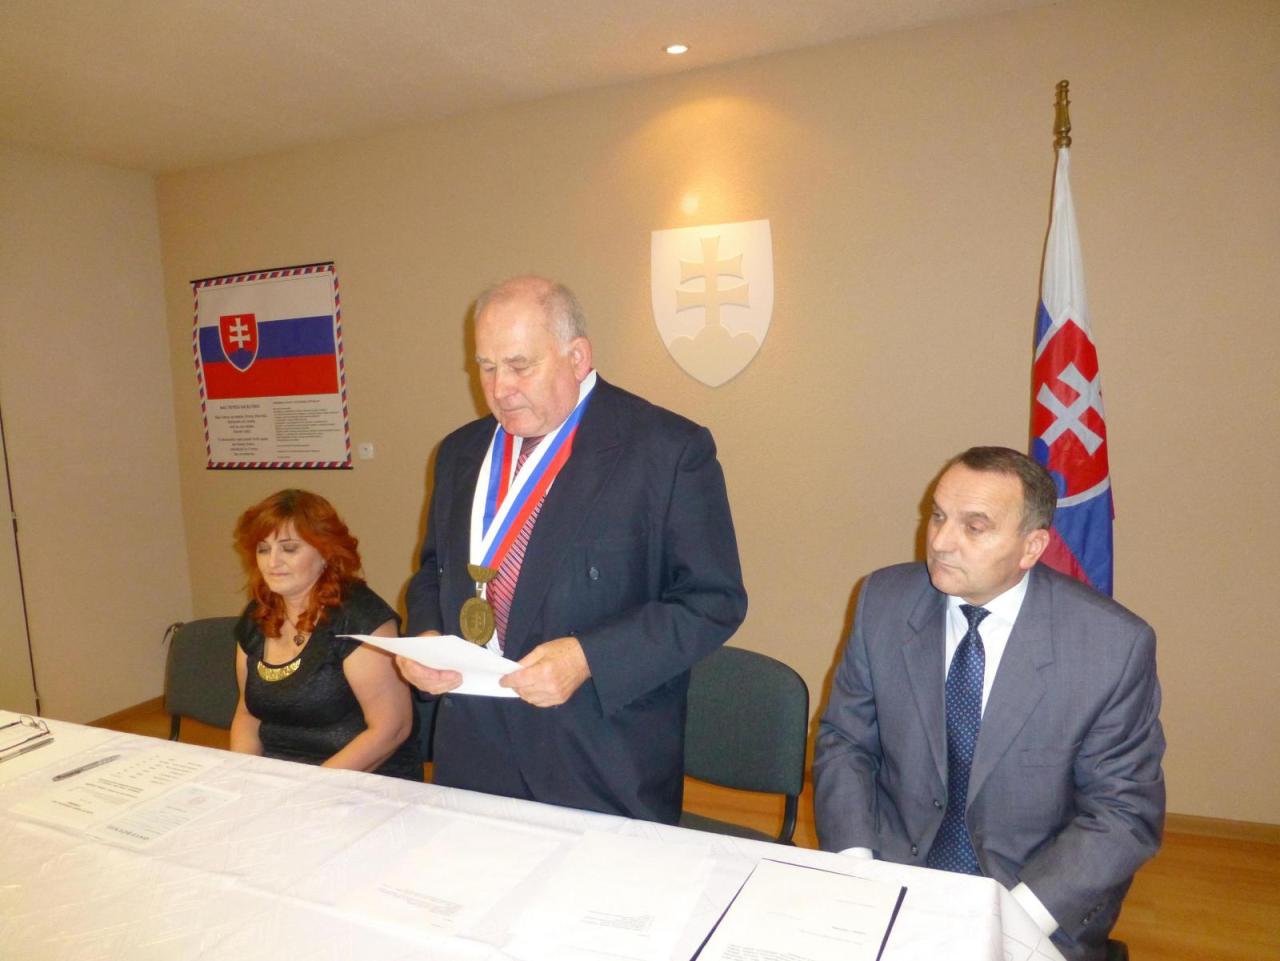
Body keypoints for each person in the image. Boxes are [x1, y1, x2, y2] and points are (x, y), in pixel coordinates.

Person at [400, 275, 746, 823]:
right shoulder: (460, 452)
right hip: (474, 751)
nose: (500, 389)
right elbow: (432, 572)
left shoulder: (666, 451)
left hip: (599, 757)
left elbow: (712, 602)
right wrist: (426, 637)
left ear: (578, 357)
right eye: (486, 367)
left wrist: (588, 658)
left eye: (520, 365)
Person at [813, 447, 1164, 961]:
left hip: (1031, 897)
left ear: (1031, 547)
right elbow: (845, 742)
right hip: (889, 876)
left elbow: (1123, 813)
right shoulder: (882, 601)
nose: (940, 542)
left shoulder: (1111, 646)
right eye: (938, 516)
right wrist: (856, 865)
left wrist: (1010, 921)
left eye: (974, 527)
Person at [230, 489, 420, 779]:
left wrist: (307, 787)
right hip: (279, 777)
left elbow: (391, 729)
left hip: (362, 778)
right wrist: (242, 776)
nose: (272, 562)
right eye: (263, 549)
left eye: (289, 549)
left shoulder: (361, 617)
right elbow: (247, 714)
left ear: (325, 553)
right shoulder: (258, 614)